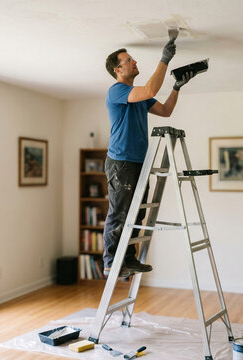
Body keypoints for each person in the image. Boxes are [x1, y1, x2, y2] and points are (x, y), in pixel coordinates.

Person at [103, 39, 195, 277]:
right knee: (120, 212)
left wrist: (176, 87)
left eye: (132, 59)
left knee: (136, 213)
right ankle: (112, 260)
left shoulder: (138, 97)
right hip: (121, 162)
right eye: (128, 60)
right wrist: (164, 59)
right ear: (118, 69)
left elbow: (165, 111)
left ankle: (129, 258)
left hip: (138, 162)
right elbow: (150, 90)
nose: (134, 62)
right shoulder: (117, 91)